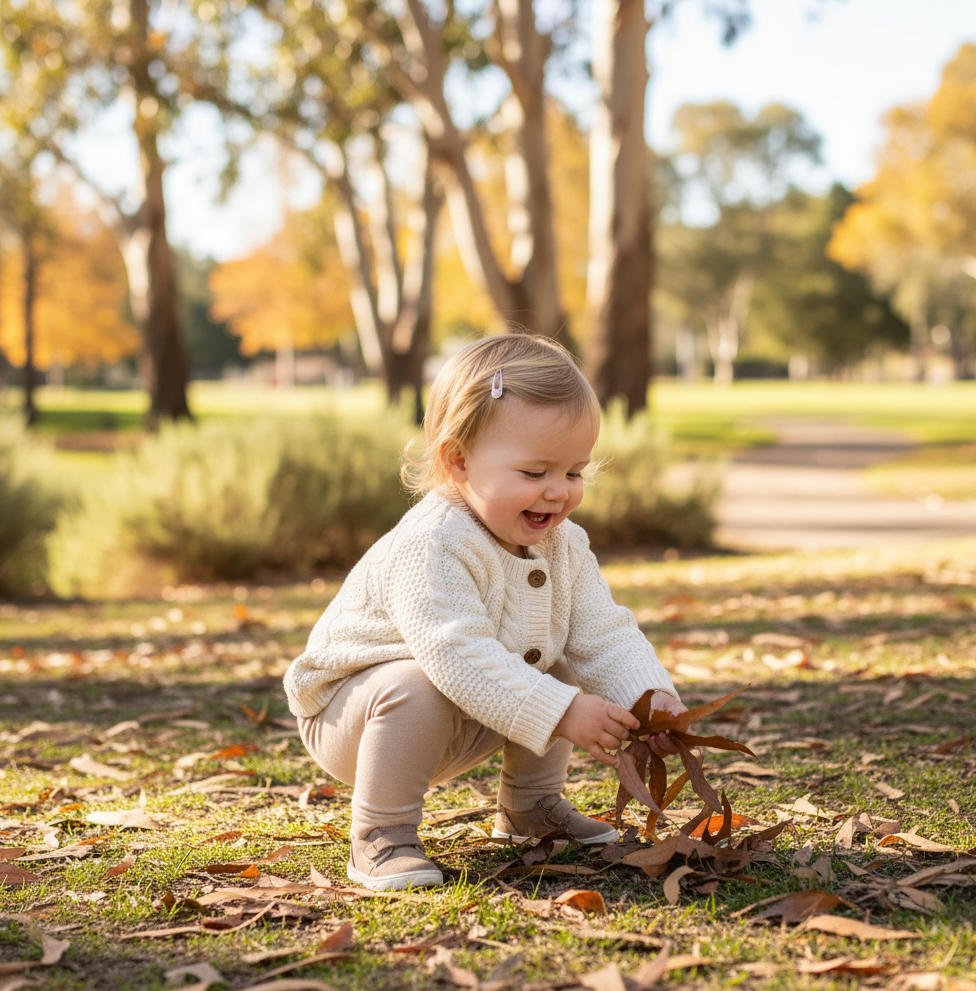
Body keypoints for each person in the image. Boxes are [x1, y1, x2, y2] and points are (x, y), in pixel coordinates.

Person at [284, 333, 685, 890]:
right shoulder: (434, 543)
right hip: (357, 718)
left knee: (556, 655)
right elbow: (456, 653)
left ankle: (530, 807)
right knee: (418, 683)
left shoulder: (564, 544)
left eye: (574, 473)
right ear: (459, 462)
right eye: (534, 473)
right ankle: (381, 832)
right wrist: (565, 713)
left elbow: (604, 634)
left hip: (465, 709)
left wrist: (650, 700)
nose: (557, 493)